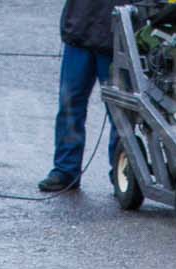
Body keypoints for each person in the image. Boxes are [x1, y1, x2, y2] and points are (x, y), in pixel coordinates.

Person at [38, 0, 123, 193]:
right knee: (70, 105)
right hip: (79, 32)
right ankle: (65, 170)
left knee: (120, 113)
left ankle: (122, 173)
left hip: (116, 35)